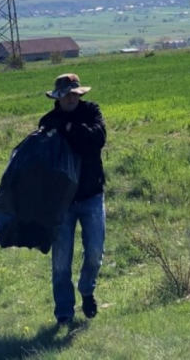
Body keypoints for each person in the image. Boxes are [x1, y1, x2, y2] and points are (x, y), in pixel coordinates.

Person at [38, 73, 107, 326]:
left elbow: (97, 139)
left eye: (74, 93)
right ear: (57, 96)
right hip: (61, 202)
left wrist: (68, 128)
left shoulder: (91, 111)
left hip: (91, 194)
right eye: (65, 94)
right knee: (60, 262)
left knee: (95, 254)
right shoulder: (47, 121)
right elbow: (43, 157)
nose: (70, 98)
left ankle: (87, 290)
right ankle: (64, 313)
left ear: (80, 93)